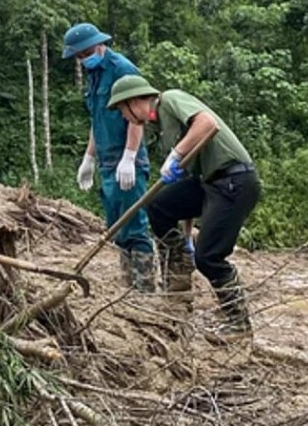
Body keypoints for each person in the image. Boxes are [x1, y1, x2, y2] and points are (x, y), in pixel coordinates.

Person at [107, 74, 261, 341]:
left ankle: (238, 322)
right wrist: (186, 235)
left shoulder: (170, 100)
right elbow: (189, 180)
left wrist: (176, 154)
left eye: (122, 109)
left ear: (134, 101)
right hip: (208, 183)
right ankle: (179, 273)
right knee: (159, 207)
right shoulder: (162, 128)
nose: (124, 117)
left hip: (233, 181)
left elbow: (207, 124)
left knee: (209, 256)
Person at [61, 22, 156, 292]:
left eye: (85, 53)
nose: (83, 60)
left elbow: (139, 116)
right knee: (117, 227)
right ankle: (128, 287)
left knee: (135, 225)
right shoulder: (94, 76)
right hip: (106, 161)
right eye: (79, 57)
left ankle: (145, 290)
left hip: (128, 161)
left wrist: (129, 156)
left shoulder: (122, 70)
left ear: (98, 45)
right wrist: (89, 158)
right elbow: (97, 119)